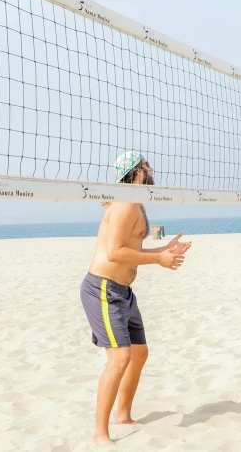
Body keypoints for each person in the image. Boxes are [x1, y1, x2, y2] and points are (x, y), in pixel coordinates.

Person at [80, 151, 191, 445]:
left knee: (139, 354)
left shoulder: (137, 202)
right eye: (147, 164)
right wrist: (159, 260)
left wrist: (164, 251)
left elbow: (131, 249)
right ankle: (100, 434)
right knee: (120, 358)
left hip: (123, 291)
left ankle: (124, 415)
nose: (152, 167)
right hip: (103, 289)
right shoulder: (125, 204)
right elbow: (114, 253)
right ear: (137, 170)